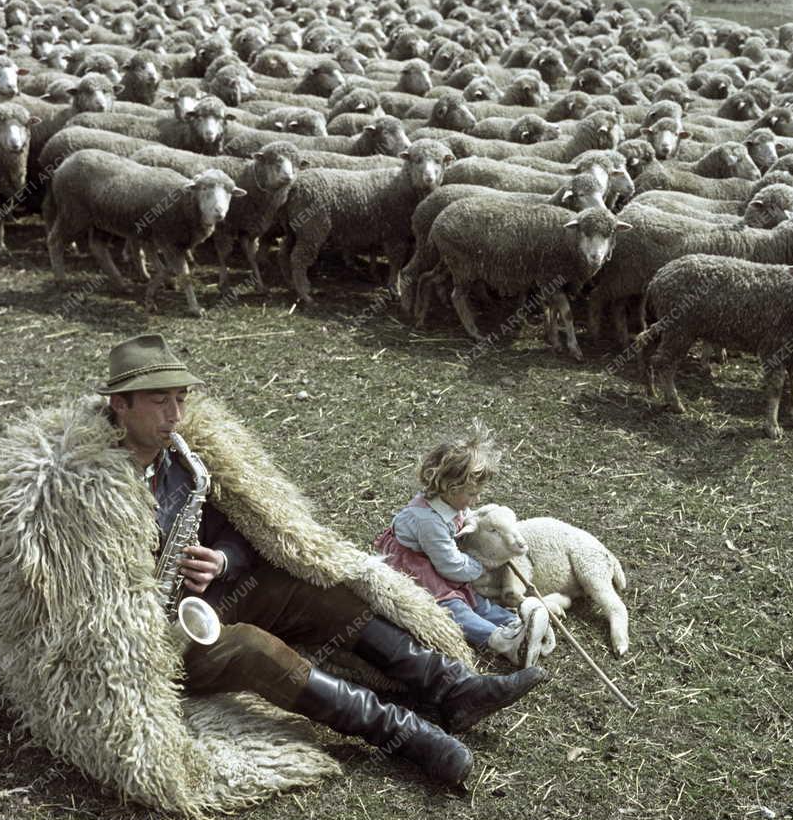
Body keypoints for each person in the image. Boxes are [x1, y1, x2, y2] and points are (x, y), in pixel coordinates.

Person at [101, 334, 547, 789]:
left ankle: (451, 687)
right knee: (252, 647)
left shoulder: (183, 462)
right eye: (159, 402)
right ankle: (403, 733)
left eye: (180, 399)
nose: (175, 416)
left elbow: (235, 532)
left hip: (207, 599)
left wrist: (221, 561)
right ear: (120, 404)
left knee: (318, 590)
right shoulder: (82, 487)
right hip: (154, 644)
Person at [374, 425, 553, 670]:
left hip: (434, 563)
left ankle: (521, 624)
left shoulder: (451, 503)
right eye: (472, 494)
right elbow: (451, 566)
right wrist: (480, 566)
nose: (475, 500)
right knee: (454, 608)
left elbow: (467, 515)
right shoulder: (428, 522)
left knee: (474, 599)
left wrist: (471, 521)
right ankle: (504, 643)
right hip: (415, 571)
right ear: (451, 487)